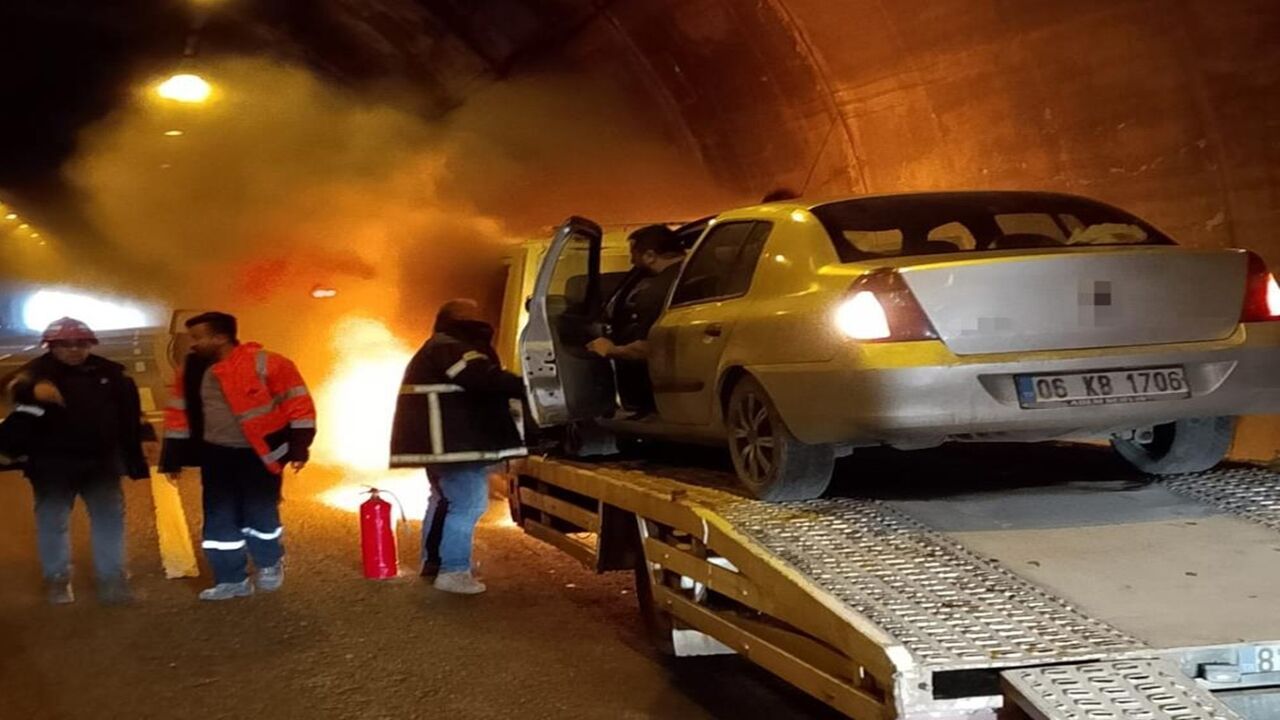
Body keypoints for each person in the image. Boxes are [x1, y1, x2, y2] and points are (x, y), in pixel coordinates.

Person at [159, 312, 316, 601]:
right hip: (216, 454)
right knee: (219, 519)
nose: (193, 344)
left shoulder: (268, 363)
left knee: (260, 512)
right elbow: (179, 413)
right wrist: (172, 456)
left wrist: (299, 447)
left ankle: (269, 563)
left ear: (221, 337)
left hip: (260, 454)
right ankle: (231, 579)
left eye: (198, 337)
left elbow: (298, 404)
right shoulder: (192, 369)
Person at [1, 317, 154, 605]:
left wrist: (144, 438)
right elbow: (10, 385)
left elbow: (131, 411)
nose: (74, 350)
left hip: (101, 462)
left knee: (109, 520)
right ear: (51, 347)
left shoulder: (111, 372)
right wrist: (32, 390)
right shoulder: (35, 372)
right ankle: (57, 580)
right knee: (52, 521)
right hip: (52, 464)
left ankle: (112, 580)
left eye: (80, 344)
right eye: (65, 345)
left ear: (90, 344)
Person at [390, 299, 526, 595]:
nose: (481, 317)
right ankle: (453, 570)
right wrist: (527, 386)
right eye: (473, 313)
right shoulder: (451, 347)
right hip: (455, 446)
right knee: (468, 504)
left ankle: (435, 562)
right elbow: (481, 377)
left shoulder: (439, 345)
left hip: (444, 445)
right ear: (458, 318)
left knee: (443, 500)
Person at [587, 224, 687, 413]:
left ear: (650, 256)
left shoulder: (657, 292)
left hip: (668, 396)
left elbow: (648, 348)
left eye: (634, 255)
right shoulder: (703, 271)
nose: (632, 261)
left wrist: (611, 350)